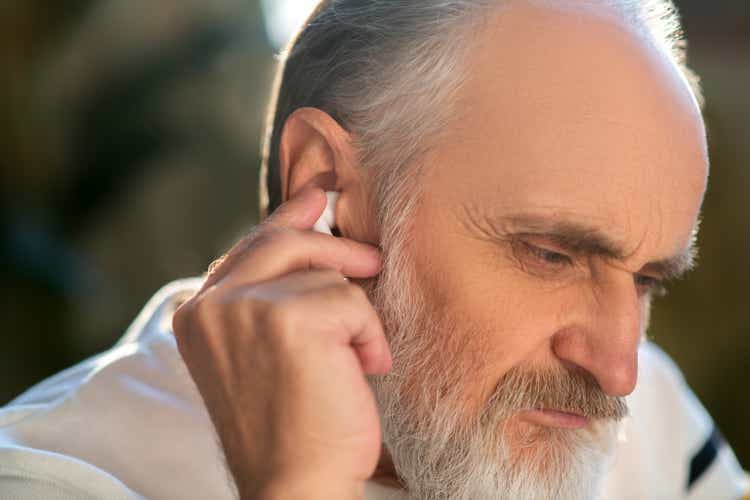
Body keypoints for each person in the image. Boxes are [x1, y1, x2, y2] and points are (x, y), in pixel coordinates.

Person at [1, 0, 748, 499]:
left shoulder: (653, 428)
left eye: (648, 279)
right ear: (327, 184)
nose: (618, 369)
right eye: (550, 254)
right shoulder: (54, 478)